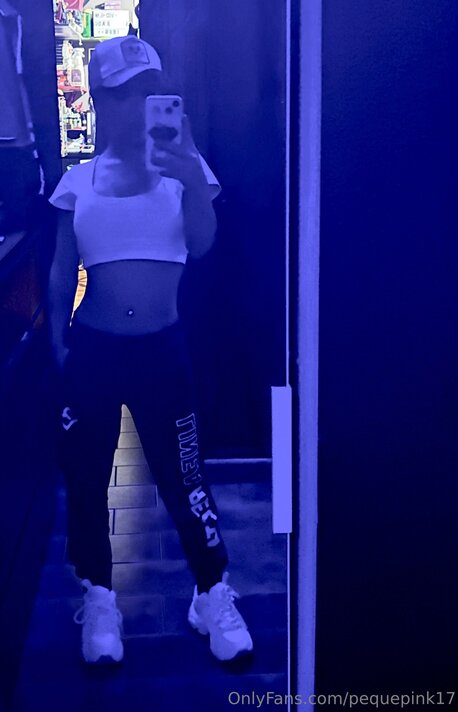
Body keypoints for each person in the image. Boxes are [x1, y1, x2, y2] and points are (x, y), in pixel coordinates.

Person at [47, 35, 253, 665]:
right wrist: (57, 344)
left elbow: (204, 243)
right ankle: (100, 597)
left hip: (164, 351)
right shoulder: (77, 181)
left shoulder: (186, 169)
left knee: (185, 478)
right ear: (99, 101)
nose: (137, 106)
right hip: (94, 352)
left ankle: (211, 592)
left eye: (148, 92)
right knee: (87, 479)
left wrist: (189, 174)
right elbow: (61, 270)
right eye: (123, 94)